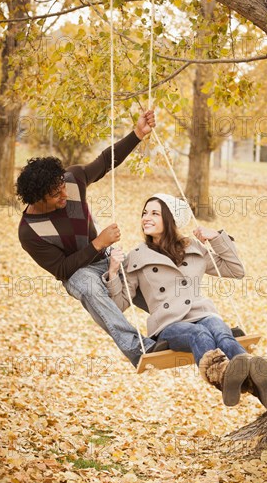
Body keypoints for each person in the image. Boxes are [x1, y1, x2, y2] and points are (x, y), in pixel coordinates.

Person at [16, 111, 168, 368]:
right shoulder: (30, 232)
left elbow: (105, 161)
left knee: (148, 270)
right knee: (87, 285)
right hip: (78, 274)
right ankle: (140, 349)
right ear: (37, 197)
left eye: (62, 184)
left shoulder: (72, 179)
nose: (64, 192)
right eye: (56, 193)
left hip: (106, 259)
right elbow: (63, 269)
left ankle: (194, 325)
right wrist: (99, 243)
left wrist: (138, 134)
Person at [104, 194, 267, 409]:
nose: (146, 218)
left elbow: (236, 270)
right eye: (145, 213)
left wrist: (215, 237)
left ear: (170, 220)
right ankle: (224, 375)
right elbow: (119, 305)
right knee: (199, 334)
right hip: (169, 324)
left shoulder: (194, 248)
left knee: (221, 331)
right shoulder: (136, 257)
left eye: (154, 213)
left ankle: (254, 376)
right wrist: (113, 272)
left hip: (202, 313)